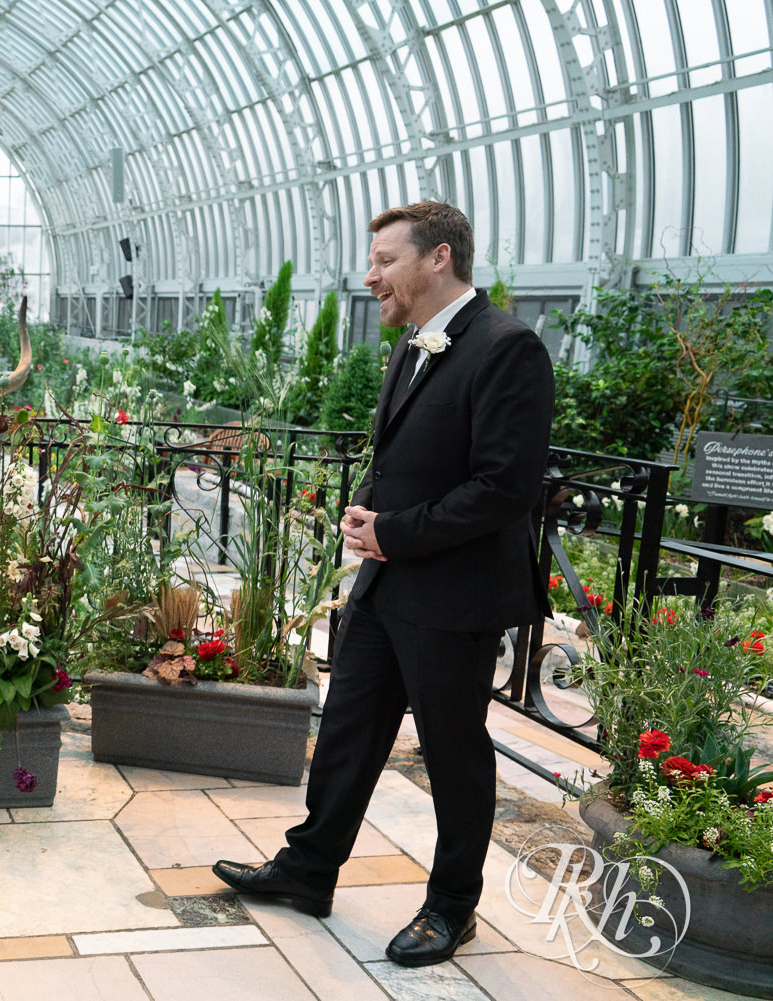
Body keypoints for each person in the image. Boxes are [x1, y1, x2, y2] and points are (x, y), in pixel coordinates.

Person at [213, 202, 554, 967]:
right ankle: (309, 868)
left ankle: (451, 907)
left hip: (453, 598)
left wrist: (393, 533)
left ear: (438, 258)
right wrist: (369, 514)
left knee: (453, 754)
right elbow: (406, 455)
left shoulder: (510, 348)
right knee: (346, 732)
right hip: (384, 587)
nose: (370, 277)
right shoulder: (408, 346)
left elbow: (506, 488)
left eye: (384, 261)